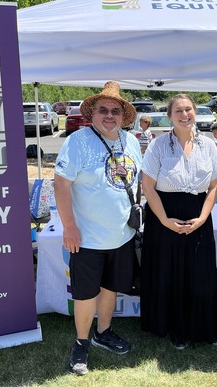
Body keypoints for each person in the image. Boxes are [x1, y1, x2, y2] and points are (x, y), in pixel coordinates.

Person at [54, 81, 142, 375]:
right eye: (102, 110)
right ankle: (81, 343)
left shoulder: (130, 142)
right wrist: (69, 227)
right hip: (87, 237)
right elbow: (61, 184)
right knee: (85, 294)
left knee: (110, 289)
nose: (109, 115)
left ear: (123, 115)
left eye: (114, 110)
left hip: (122, 235)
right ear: (92, 113)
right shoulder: (78, 141)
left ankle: (103, 332)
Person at [140, 93, 217, 349]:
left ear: (195, 113)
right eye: (179, 111)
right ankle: (175, 329)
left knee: (199, 274)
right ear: (170, 116)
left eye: (189, 109)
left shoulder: (208, 145)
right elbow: (148, 187)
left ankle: (201, 328)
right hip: (164, 215)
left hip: (199, 215)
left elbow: (214, 187)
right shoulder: (158, 146)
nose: (185, 114)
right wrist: (164, 220)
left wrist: (202, 218)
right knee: (169, 275)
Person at [136, 115, 153, 202]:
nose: (140, 123)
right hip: (145, 157)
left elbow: (145, 146)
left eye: (142, 122)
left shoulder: (146, 133)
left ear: (146, 123)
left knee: (140, 180)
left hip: (143, 157)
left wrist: (139, 153)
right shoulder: (146, 132)